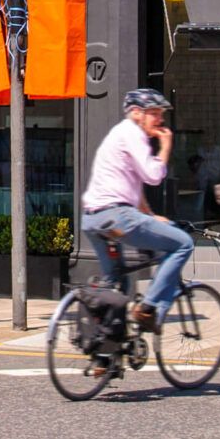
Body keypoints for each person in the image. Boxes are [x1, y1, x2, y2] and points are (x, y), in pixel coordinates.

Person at [79, 89, 191, 332]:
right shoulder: (132, 133)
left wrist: (150, 216)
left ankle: (105, 357)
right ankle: (148, 307)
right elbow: (152, 176)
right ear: (137, 113)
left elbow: (134, 188)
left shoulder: (118, 135)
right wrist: (166, 146)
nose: (160, 120)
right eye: (155, 114)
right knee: (183, 244)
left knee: (117, 284)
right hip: (118, 218)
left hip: (93, 221)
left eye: (161, 115)